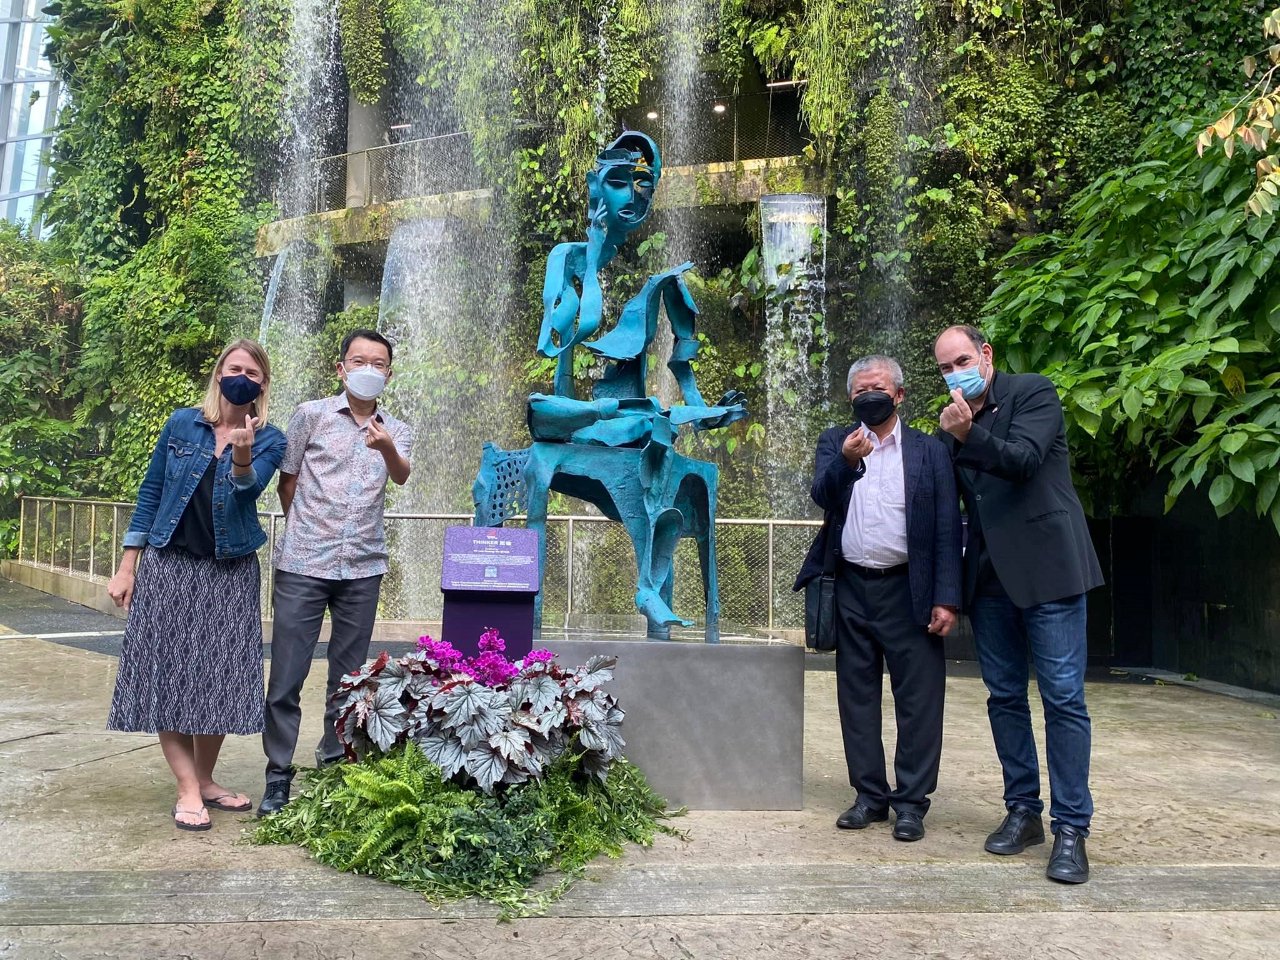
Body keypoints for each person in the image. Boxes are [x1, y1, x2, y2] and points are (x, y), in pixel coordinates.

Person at [933, 324, 1104, 884]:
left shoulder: (1033, 391)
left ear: (986, 354)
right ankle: (1023, 811)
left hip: (1050, 572)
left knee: (1062, 698)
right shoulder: (951, 424)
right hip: (987, 582)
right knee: (1004, 698)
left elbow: (1025, 460)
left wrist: (966, 437)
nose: (954, 371)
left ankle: (1072, 829)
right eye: (943, 367)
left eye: (962, 358)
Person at [106, 338, 286, 831]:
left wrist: (243, 457)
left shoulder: (271, 437)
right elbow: (152, 492)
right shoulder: (182, 424)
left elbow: (248, 493)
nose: (241, 377)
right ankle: (187, 789)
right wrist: (127, 566)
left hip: (230, 570)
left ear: (262, 383)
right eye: (234, 368)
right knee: (168, 675)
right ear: (218, 373)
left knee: (220, 680)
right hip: (170, 565)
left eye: (252, 372)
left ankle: (205, 778)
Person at [796, 355, 962, 842]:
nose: (871, 394)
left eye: (879, 387)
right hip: (850, 586)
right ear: (851, 399)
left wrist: (947, 598)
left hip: (911, 587)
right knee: (857, 696)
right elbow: (823, 496)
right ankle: (869, 796)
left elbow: (949, 529)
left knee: (920, 700)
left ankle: (911, 803)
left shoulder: (930, 451)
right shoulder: (835, 442)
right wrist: (848, 463)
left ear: (899, 395)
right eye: (861, 389)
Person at [257, 328, 411, 816]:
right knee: (286, 674)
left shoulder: (397, 427)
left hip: (364, 567)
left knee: (348, 678)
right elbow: (289, 481)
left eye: (379, 362)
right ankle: (278, 776)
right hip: (304, 563)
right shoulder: (311, 415)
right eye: (359, 360)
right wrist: (308, 531)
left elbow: (402, 475)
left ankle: (334, 768)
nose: (369, 368)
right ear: (341, 367)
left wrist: (384, 446)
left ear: (388, 373)